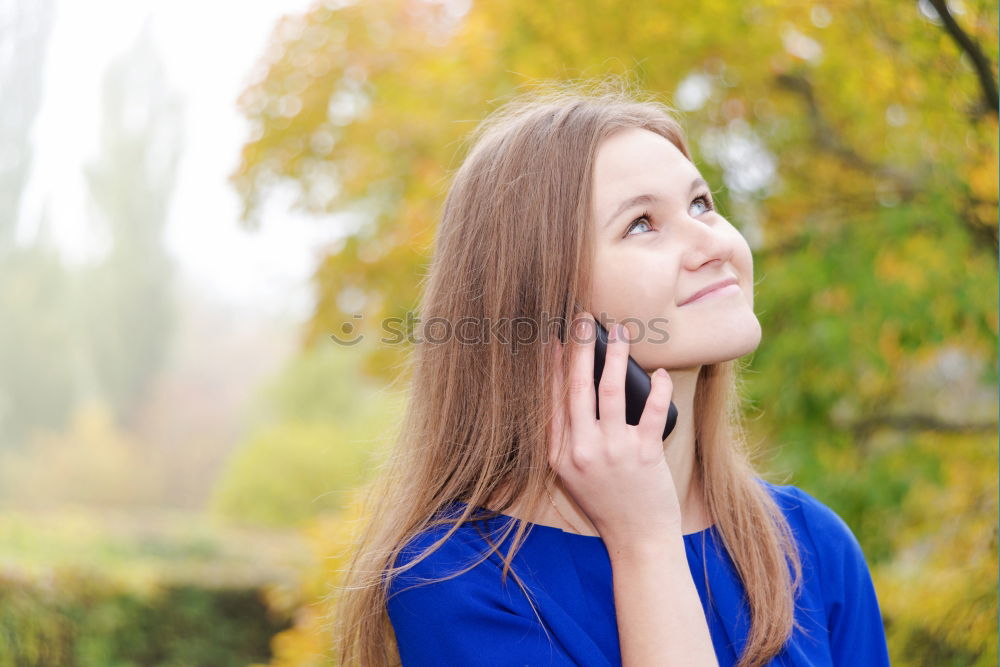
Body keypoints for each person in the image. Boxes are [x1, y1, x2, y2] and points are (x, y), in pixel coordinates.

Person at [330, 79, 892, 667]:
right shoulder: (454, 583)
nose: (712, 243)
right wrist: (645, 541)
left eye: (702, 203)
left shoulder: (812, 546)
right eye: (642, 224)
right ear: (544, 307)